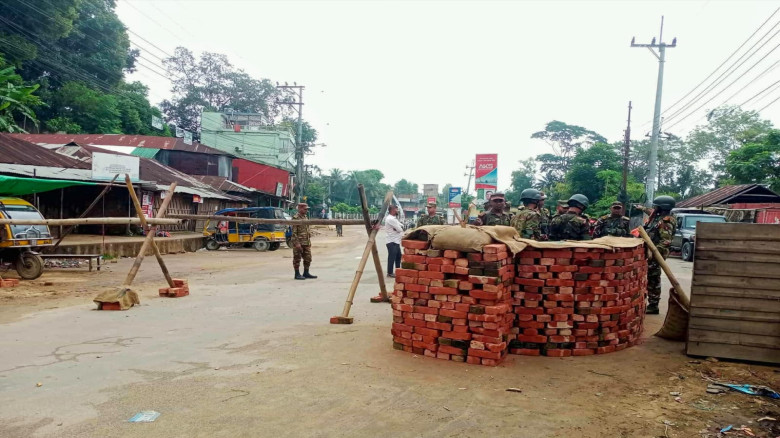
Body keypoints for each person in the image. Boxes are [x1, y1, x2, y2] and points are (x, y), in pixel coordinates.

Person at [634, 196, 677, 315]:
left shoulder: (666, 222)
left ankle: (653, 305)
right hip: (650, 252)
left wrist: (654, 253)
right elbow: (650, 211)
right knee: (647, 277)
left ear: (662, 207)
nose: (654, 208)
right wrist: (641, 208)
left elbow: (665, 241)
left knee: (653, 279)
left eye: (656, 206)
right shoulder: (659, 217)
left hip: (655, 254)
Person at [291, 203, 317, 280]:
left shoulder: (305, 217)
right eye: (305, 209)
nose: (306, 211)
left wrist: (309, 241)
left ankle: (306, 272)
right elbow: (294, 232)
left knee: (308, 258)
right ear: (300, 209)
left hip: (306, 242)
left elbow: (307, 230)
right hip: (299, 242)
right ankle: (297, 274)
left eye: (307, 209)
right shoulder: (296, 218)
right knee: (297, 258)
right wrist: (297, 243)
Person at [384, 205, 404, 278]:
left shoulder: (394, 218)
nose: (397, 211)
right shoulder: (390, 219)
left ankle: (398, 271)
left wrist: (398, 228)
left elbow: (401, 226)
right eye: (396, 209)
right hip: (392, 241)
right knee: (392, 257)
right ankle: (390, 273)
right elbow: (400, 229)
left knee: (398, 256)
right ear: (392, 210)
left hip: (396, 241)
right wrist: (398, 228)